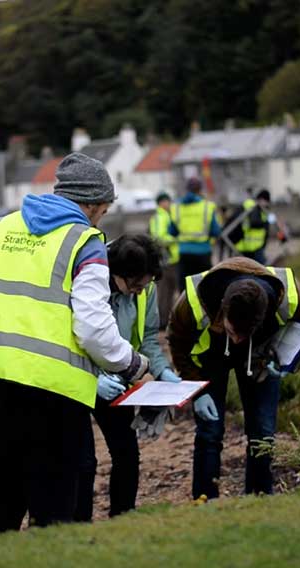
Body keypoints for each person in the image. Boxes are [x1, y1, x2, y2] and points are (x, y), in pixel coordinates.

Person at [0, 152, 150, 533]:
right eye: (103, 211)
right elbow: (93, 327)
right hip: (56, 399)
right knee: (54, 515)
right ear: (91, 204)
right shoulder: (85, 242)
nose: (101, 218)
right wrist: (132, 365)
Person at [167, 257, 300, 500]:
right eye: (231, 331)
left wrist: (287, 356)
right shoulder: (193, 300)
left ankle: (259, 499)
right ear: (222, 310)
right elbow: (177, 339)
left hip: (260, 356)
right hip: (211, 357)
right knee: (209, 432)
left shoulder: (290, 294)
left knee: (263, 432)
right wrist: (195, 388)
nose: (237, 340)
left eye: (244, 334)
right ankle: (204, 502)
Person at [74, 234, 181, 521]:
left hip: (120, 380)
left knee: (127, 454)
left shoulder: (144, 289)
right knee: (83, 462)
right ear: (116, 273)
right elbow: (69, 337)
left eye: (144, 285)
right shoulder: (86, 283)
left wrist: (163, 371)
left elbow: (147, 339)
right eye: (134, 285)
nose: (139, 291)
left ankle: (123, 520)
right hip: (77, 379)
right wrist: (92, 377)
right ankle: (77, 527)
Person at [169, 177, 221, 291]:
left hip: (184, 253)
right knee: (204, 288)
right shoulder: (207, 207)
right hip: (203, 253)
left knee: (185, 289)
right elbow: (216, 231)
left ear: (187, 189)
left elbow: (172, 231)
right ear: (200, 190)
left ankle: (187, 308)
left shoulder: (176, 207)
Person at [149, 191, 179, 329]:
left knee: (168, 292)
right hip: (168, 261)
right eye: (167, 201)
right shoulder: (160, 217)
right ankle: (163, 322)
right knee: (166, 293)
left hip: (170, 260)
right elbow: (159, 237)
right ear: (162, 203)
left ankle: (165, 321)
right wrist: (177, 239)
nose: (169, 204)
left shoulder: (164, 216)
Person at [226, 189, 272, 265]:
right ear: (262, 199)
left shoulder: (260, 209)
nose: (267, 204)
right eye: (266, 202)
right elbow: (254, 223)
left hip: (250, 247)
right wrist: (264, 223)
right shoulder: (253, 207)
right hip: (250, 247)